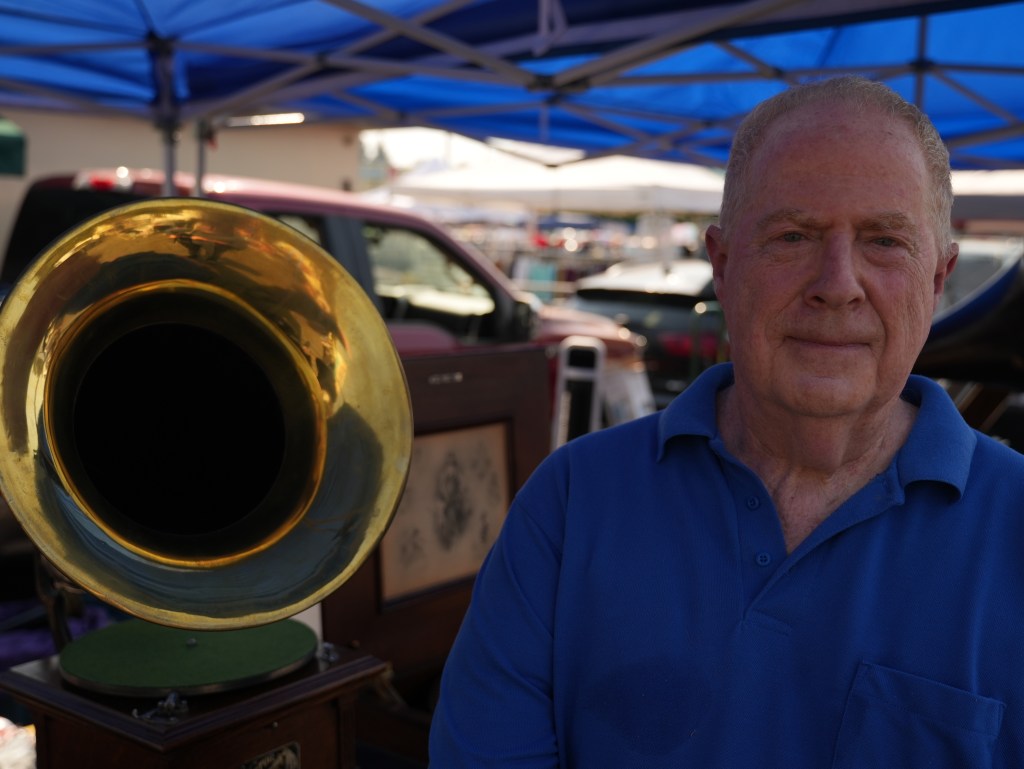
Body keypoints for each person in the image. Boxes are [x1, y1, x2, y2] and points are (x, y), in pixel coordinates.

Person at [428, 74, 1024, 767]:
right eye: (793, 235)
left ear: (938, 277)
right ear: (722, 261)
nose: (837, 283)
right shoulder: (571, 503)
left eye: (885, 240)